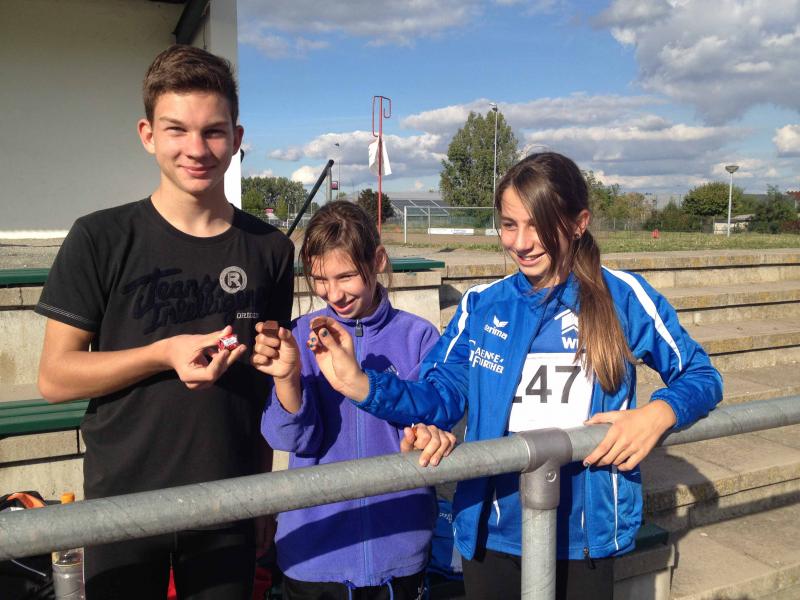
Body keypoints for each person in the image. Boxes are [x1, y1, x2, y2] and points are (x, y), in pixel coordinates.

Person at [302, 153, 723, 599]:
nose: (521, 243)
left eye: (538, 225)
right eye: (508, 225)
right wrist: (361, 384)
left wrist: (658, 414)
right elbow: (441, 396)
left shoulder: (625, 297)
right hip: (493, 533)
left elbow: (701, 375)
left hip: (583, 535)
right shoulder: (482, 304)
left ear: (578, 223)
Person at [35, 45, 294, 599]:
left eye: (213, 131)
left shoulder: (271, 249)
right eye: (177, 130)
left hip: (229, 501)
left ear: (237, 138)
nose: (196, 149)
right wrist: (162, 353)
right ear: (148, 134)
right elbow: (55, 377)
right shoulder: (100, 238)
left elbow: (262, 384)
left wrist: (264, 494)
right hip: (121, 502)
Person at [252, 200, 456, 600]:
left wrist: (424, 434)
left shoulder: (419, 337)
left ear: (378, 260)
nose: (334, 294)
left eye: (346, 276)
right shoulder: (299, 336)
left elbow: (436, 417)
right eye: (320, 279)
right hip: (313, 556)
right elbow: (289, 439)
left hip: (400, 552)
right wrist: (287, 378)